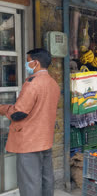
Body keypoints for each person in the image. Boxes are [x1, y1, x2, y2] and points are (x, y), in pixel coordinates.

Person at [0, 48, 60, 196]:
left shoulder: (33, 83)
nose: (27, 65)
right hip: (45, 139)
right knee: (46, 179)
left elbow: (18, 113)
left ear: (36, 63)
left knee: (29, 184)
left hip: (29, 141)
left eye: (28, 62)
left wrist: (3, 108)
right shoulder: (53, 84)